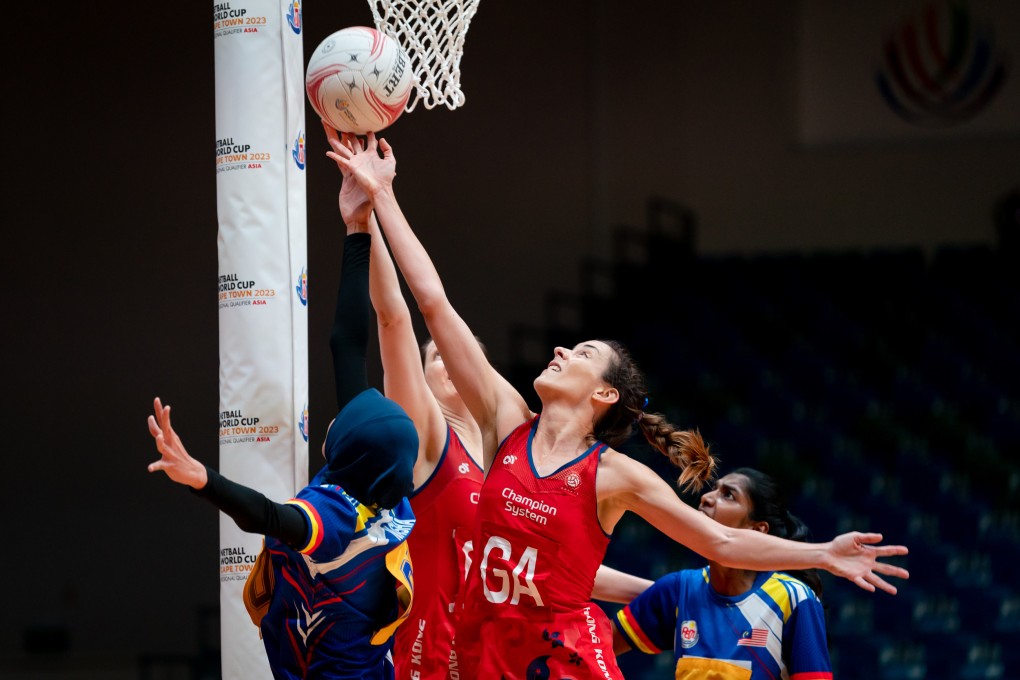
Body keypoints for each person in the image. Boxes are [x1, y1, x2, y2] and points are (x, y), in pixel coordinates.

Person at [329, 132, 909, 680]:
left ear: (604, 394)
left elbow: (723, 544)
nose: (560, 348)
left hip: (565, 658)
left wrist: (824, 555)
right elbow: (432, 302)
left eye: (581, 352)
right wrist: (382, 196)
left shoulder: (612, 475)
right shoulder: (506, 423)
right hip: (487, 653)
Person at [324, 122, 656, 680]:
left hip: (501, 657)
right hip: (437, 661)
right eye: (435, 357)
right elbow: (396, 317)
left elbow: (546, 569)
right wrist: (365, 218)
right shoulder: (428, 435)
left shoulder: (517, 455)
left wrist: (664, 594)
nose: (445, 360)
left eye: (454, 355)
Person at [145, 150, 419, 679]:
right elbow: (347, 344)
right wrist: (356, 226)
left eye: (349, 419)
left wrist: (200, 478)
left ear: (350, 449)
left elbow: (264, 517)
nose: (341, 413)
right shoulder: (379, 488)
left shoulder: (338, 521)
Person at [613, 468, 833, 679]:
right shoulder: (679, 589)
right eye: (714, 489)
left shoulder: (795, 598)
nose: (706, 498)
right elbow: (595, 647)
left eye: (728, 495)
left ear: (757, 529)